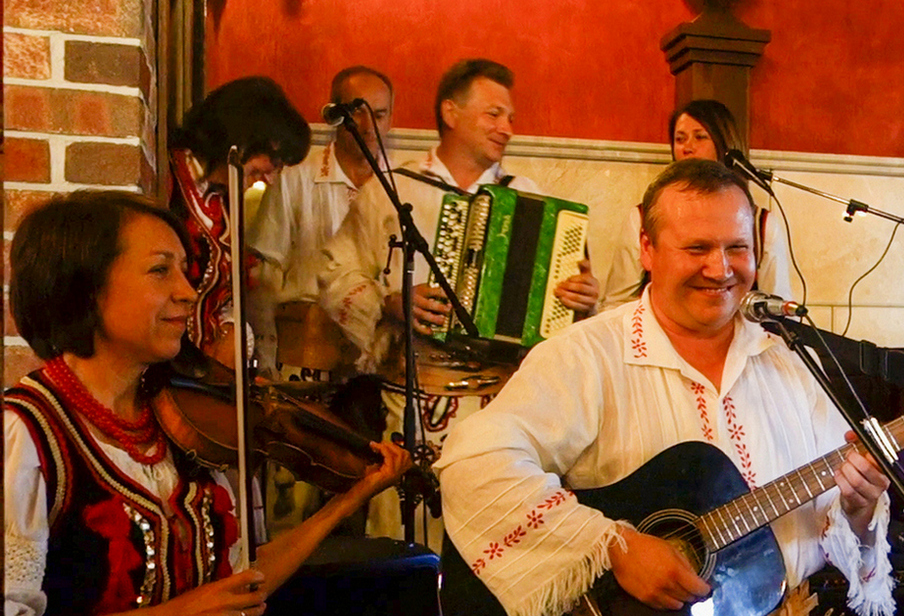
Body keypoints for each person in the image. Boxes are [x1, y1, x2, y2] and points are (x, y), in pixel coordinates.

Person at [3, 191, 411, 616]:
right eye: (160, 270)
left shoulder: (185, 425)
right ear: (85, 287)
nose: (188, 292)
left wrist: (346, 501)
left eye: (185, 270)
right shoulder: (27, 435)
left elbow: (238, 587)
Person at [437, 158, 894, 616]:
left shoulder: (791, 361)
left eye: (737, 248)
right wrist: (611, 545)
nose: (720, 269)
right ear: (647, 249)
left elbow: (840, 539)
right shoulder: (585, 355)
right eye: (697, 248)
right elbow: (474, 464)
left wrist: (857, 510)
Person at [318, 58, 598, 544]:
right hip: (414, 399)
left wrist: (582, 301)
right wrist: (391, 303)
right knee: (411, 535)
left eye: (510, 117)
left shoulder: (529, 197)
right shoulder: (392, 191)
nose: (507, 128)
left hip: (505, 401)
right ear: (450, 112)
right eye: (494, 114)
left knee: (497, 536)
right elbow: (334, 274)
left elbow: (569, 302)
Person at [251, 65, 396, 382]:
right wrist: (264, 359)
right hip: (305, 352)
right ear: (335, 114)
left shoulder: (401, 187)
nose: (368, 126)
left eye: (379, 115)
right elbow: (263, 275)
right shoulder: (295, 176)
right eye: (357, 112)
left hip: (381, 363)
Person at [594, 99, 793, 311]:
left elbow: (779, 310)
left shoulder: (761, 225)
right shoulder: (642, 218)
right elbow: (617, 303)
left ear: (725, 145)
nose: (687, 148)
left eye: (700, 137)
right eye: (680, 139)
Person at [169, 76, 311, 366]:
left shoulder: (224, 198)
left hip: (205, 368)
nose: (271, 179)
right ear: (242, 138)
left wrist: (232, 331)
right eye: (273, 162)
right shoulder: (169, 182)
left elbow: (224, 297)